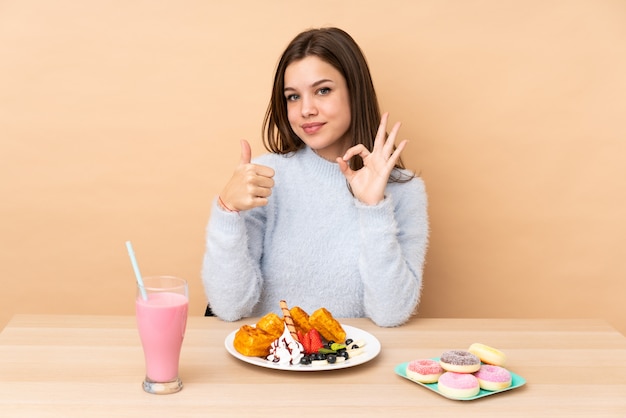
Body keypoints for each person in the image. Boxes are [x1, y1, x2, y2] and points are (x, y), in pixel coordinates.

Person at [201, 27, 428, 327]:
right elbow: (229, 307)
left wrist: (374, 210)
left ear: (354, 91)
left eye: (323, 90)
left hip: (350, 366)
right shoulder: (264, 178)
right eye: (293, 97)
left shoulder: (405, 191)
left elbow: (391, 313)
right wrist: (226, 211)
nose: (306, 110)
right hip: (269, 365)